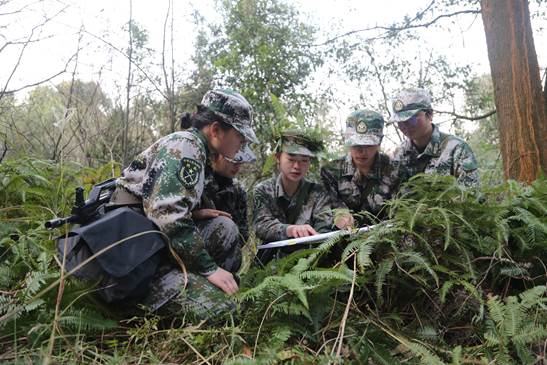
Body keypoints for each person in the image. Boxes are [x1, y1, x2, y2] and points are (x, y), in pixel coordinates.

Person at [110, 88, 257, 320]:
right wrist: (209, 268)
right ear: (216, 130)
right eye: (240, 138)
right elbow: (167, 216)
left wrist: (195, 214)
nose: (241, 146)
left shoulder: (197, 149)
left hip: (152, 248)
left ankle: (189, 283)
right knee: (225, 312)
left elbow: (160, 207)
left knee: (224, 227)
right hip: (134, 264)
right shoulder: (186, 147)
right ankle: (134, 310)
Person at [253, 129, 342, 264]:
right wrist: (290, 230)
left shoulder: (318, 193)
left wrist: (319, 236)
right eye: (291, 159)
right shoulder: (263, 190)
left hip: (309, 264)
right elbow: (261, 225)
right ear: (278, 158)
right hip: (271, 267)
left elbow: (324, 227)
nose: (297, 166)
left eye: (304, 160)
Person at [389, 88, 479, 189]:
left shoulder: (457, 150)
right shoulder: (399, 154)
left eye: (412, 119)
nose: (405, 126)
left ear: (430, 114)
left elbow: (471, 196)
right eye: (400, 122)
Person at [321, 110, 395, 227]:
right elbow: (325, 207)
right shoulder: (331, 171)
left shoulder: (394, 169)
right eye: (356, 145)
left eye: (368, 145)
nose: (361, 151)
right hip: (342, 240)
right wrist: (339, 214)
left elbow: (401, 211)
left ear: (379, 141)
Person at [191, 144, 256, 271]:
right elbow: (174, 217)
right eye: (233, 162)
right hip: (191, 249)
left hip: (223, 256)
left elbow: (243, 233)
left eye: (240, 163)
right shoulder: (196, 181)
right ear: (215, 157)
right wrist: (196, 214)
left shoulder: (238, 191)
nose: (237, 167)